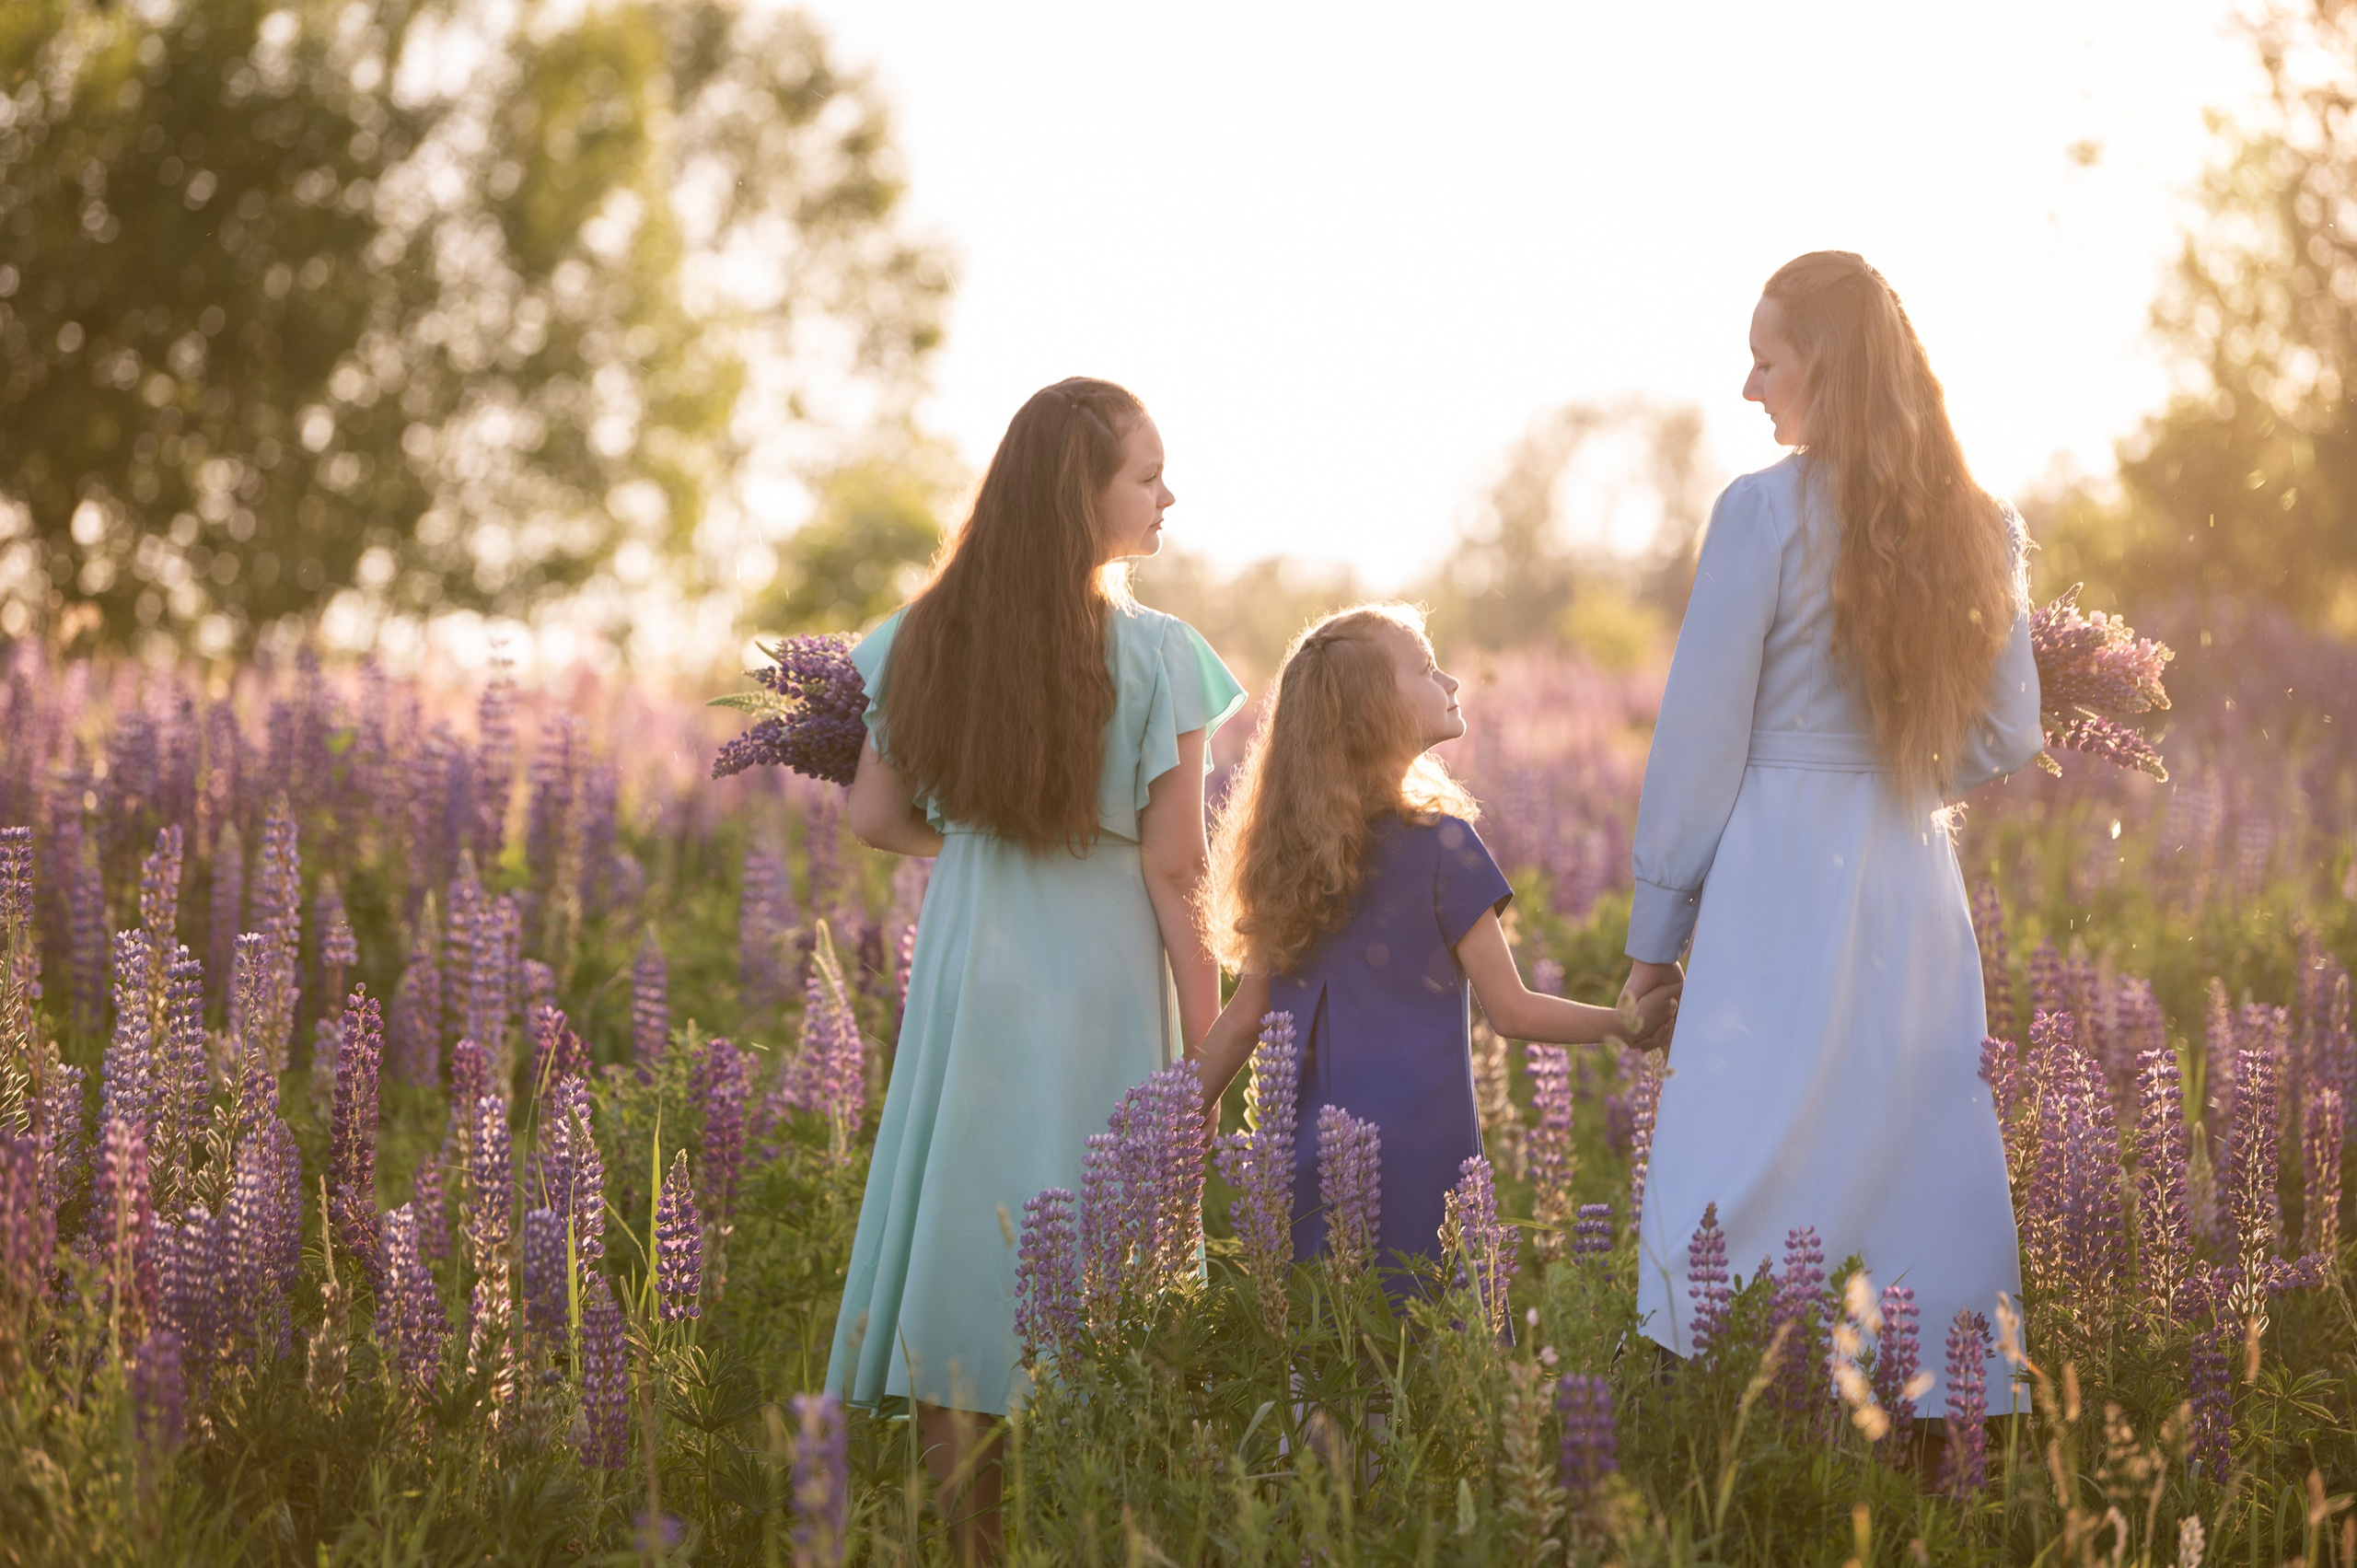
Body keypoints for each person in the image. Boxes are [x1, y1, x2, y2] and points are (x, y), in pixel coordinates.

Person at [1618, 252, 2043, 1423]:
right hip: (1908, 865)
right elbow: (2011, 730)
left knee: (1743, 1129)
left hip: (1775, 869)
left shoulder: (1760, 510)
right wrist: (1901, 768)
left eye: (1765, 360)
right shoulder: (1982, 523)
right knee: (1911, 1133)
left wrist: (1655, 940)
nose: (1748, 387)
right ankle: (1928, 1413)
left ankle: (1729, 1404)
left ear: (1826, 367)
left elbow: (1700, 740)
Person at [830, 377, 1247, 1551]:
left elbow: (871, 816)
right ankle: (1106, 1529)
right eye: (1145, 474)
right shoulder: (1161, 653)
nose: (1168, 494)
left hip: (975, 961)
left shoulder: (922, 635)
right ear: (1083, 496)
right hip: (1102, 973)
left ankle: (974, 1545)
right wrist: (1207, 1059)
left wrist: (974, 833)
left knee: (972, 1240)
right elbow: (1178, 871)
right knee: (1115, 1257)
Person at [1194, 603, 1678, 1283]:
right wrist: (1625, 1026)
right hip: (1427, 1160)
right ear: (1372, 713)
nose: (1451, 680)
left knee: (1322, 1353)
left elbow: (1244, 1015)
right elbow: (1512, 1011)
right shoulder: (1444, 845)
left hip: (1311, 1159)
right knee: (1423, 1344)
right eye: (1425, 668)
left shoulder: (1294, 857)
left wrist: (1175, 1125)